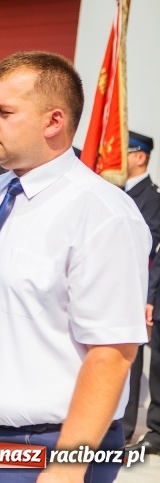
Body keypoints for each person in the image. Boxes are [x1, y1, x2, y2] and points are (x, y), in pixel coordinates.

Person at [0, 51, 150, 483]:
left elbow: (112, 353)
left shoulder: (102, 214)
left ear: (53, 121)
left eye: (4, 112)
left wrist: (67, 467)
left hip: (46, 447)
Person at [122, 130, 160, 455]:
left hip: (137, 288)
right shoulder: (117, 193)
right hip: (115, 286)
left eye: (124, 151)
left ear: (140, 156)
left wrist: (149, 296)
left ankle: (126, 429)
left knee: (133, 358)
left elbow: (150, 249)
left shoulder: (152, 197)